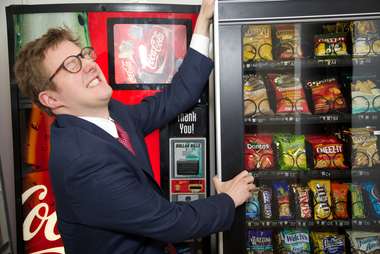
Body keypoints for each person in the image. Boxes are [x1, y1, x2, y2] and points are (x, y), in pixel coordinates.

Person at [14, 0, 255, 253]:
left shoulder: (112, 114)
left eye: (83, 54)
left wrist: (204, 19)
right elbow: (171, 222)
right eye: (71, 65)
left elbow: (173, 99)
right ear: (51, 99)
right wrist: (229, 199)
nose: (88, 64)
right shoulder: (83, 163)